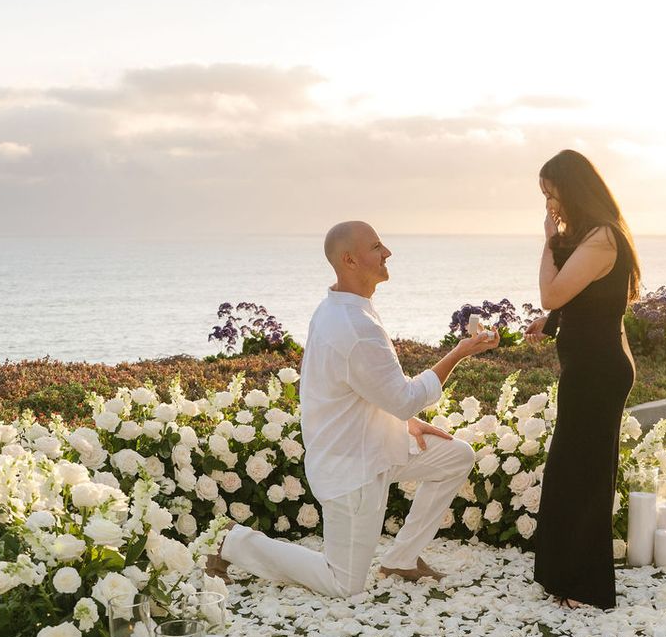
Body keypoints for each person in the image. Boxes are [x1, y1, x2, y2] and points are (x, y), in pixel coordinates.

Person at [210, 221, 497, 597]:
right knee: (343, 583)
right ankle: (231, 541)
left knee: (456, 456)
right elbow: (404, 398)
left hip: (376, 445)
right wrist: (459, 353)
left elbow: (354, 387)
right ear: (349, 260)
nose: (387, 252)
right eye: (376, 246)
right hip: (351, 468)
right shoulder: (354, 325)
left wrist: (408, 423)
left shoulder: (339, 308)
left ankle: (402, 559)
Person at [523, 150, 640, 609]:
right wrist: (551, 323)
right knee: (572, 470)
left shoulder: (602, 237)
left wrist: (549, 241)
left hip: (598, 371)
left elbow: (552, 292)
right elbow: (587, 299)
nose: (549, 205)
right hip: (589, 367)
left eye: (552, 194)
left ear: (573, 190)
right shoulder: (594, 236)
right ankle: (565, 576)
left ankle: (585, 585)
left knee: (584, 474)